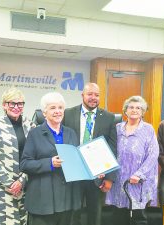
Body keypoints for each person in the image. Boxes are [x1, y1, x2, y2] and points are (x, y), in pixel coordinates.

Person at [20, 92, 81, 225]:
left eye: (60, 108)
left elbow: (77, 162)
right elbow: (25, 164)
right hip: (43, 200)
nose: (57, 111)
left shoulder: (71, 133)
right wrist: (50, 163)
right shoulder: (35, 134)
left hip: (67, 199)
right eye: (53, 108)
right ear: (44, 112)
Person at [63, 82, 117, 225]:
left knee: (95, 214)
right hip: (74, 173)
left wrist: (110, 177)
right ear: (82, 95)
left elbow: (113, 148)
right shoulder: (67, 114)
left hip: (97, 175)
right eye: (90, 94)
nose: (93, 98)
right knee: (73, 214)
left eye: (97, 95)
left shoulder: (109, 117)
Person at [0, 88, 36, 225]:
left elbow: (34, 156)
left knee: (21, 220)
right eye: (12, 103)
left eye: (20, 104)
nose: (16, 107)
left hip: (23, 184)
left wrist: (21, 181)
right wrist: (10, 183)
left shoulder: (30, 125)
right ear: (4, 105)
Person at [106, 96, 159, 225]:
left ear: (142, 111)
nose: (134, 110)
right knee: (118, 216)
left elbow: (153, 154)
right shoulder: (117, 128)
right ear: (125, 111)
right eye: (131, 107)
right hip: (119, 179)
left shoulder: (148, 129)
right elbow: (108, 150)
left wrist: (139, 174)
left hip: (138, 181)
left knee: (138, 218)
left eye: (138, 108)